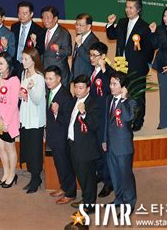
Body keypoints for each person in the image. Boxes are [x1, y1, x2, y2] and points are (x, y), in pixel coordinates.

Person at [106, 0, 154, 131]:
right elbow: (111, 35)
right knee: (121, 92)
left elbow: (149, 49)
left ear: (138, 9)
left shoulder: (144, 27)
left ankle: (138, 121)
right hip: (121, 65)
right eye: (126, 7)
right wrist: (110, 24)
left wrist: (147, 65)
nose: (128, 10)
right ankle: (123, 116)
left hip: (137, 67)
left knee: (137, 95)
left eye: (131, 7)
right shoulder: (121, 22)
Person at [102, 71, 138, 212]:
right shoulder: (108, 100)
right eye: (110, 83)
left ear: (123, 87)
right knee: (115, 175)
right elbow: (106, 121)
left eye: (115, 84)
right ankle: (118, 199)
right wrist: (104, 140)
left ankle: (129, 203)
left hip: (123, 147)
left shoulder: (131, 102)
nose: (111, 87)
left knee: (126, 176)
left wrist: (123, 100)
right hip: (111, 145)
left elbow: (128, 118)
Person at [67, 75, 100, 214]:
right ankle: (86, 199)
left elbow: (94, 125)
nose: (77, 90)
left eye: (81, 88)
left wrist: (84, 113)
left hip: (86, 148)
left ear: (88, 89)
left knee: (88, 177)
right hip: (74, 144)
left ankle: (90, 205)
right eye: (76, 87)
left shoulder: (93, 103)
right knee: (81, 175)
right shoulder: (76, 99)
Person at [44, 65, 76, 204]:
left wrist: (57, 113)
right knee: (59, 164)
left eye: (51, 78)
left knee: (64, 164)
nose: (47, 81)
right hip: (53, 135)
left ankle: (70, 192)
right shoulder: (51, 92)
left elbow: (68, 119)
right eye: (46, 78)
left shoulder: (65, 95)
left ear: (59, 79)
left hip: (62, 137)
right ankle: (64, 187)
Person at [0, 52, 20, 188]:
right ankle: (6, 173)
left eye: (1, 63)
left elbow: (13, 104)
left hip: (8, 120)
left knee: (9, 147)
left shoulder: (14, 80)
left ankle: (12, 174)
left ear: (8, 65)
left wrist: (5, 122)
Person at [19, 47, 46, 194]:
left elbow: (37, 100)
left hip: (35, 119)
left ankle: (36, 177)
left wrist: (30, 89)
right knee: (28, 148)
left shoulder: (39, 78)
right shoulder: (24, 73)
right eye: (23, 59)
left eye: (25, 59)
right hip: (25, 116)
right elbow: (23, 96)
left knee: (35, 150)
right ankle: (32, 175)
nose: (23, 62)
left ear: (33, 60)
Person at [89, 41, 114, 198]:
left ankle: (109, 182)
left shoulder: (109, 73)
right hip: (94, 116)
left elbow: (108, 90)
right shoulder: (94, 70)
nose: (91, 58)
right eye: (90, 54)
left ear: (103, 56)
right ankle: (100, 173)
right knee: (96, 149)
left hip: (104, 118)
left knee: (104, 151)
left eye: (94, 55)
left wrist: (105, 71)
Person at [41, 6, 72, 87]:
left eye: (48, 18)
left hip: (58, 72)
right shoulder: (43, 31)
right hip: (46, 71)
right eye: (43, 18)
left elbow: (68, 51)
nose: (45, 20)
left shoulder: (63, 33)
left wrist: (58, 50)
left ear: (55, 19)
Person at [10, 1, 44, 72]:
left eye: (25, 13)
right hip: (14, 64)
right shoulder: (14, 27)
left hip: (29, 66)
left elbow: (41, 51)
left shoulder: (38, 30)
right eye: (19, 13)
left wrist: (35, 43)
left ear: (31, 14)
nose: (21, 16)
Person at [71, 13, 99, 80]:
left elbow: (90, 58)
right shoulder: (79, 36)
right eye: (76, 24)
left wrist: (80, 45)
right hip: (76, 75)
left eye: (80, 25)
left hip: (86, 76)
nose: (77, 27)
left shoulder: (94, 40)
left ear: (89, 26)